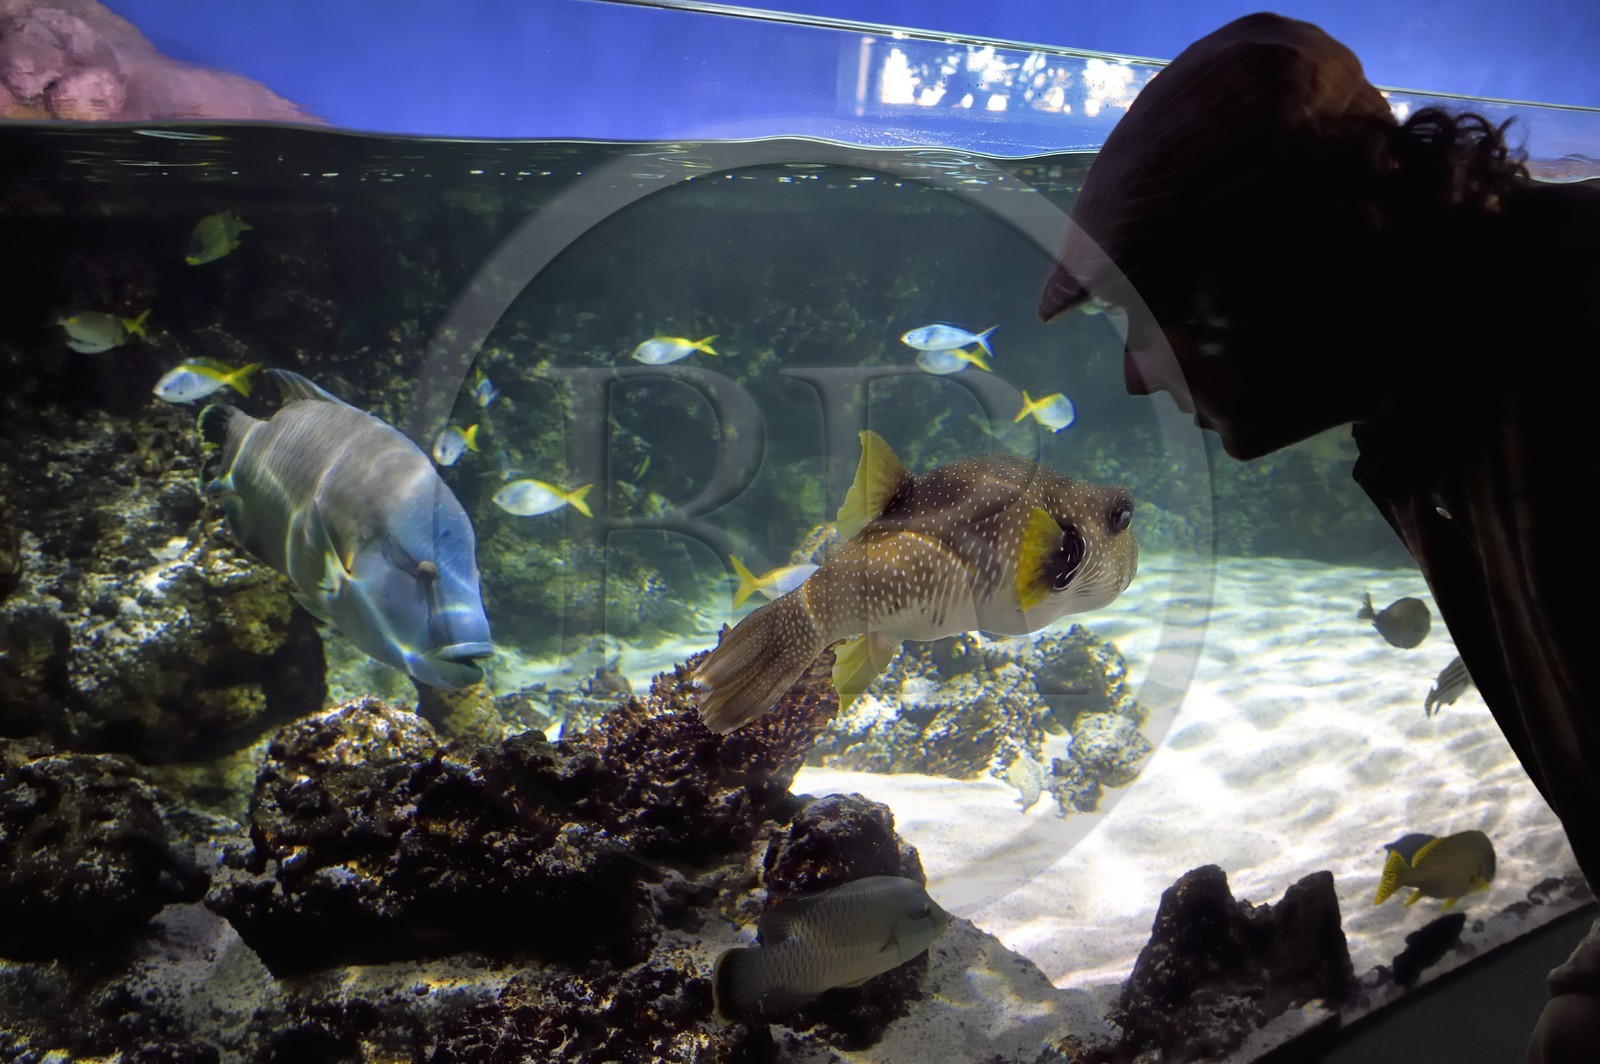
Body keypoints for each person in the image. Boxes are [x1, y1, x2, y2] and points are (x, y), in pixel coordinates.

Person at [1036, 13, 1600, 1061]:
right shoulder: (1443, 419)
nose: (1133, 374)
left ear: (1265, 263)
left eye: (1138, 318)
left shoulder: (1569, 375)